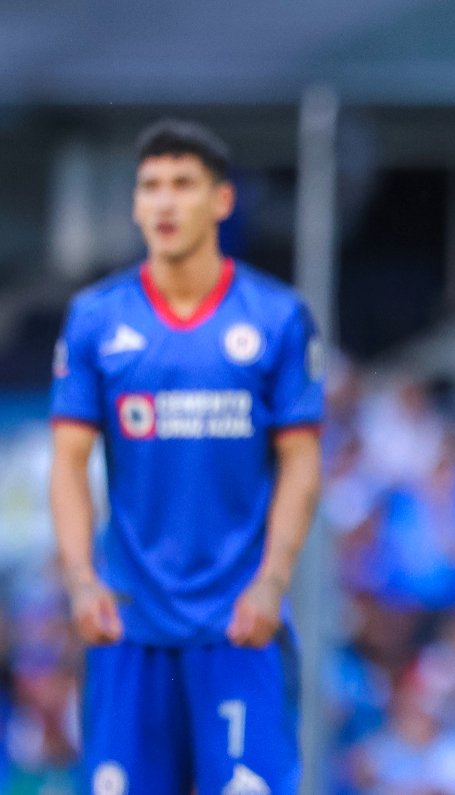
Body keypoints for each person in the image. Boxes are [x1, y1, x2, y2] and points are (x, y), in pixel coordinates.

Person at [49, 119, 323, 794]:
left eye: (183, 184)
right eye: (151, 187)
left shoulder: (276, 317)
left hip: (239, 627)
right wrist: (82, 580)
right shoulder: (95, 318)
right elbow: (67, 462)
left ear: (221, 200)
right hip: (128, 627)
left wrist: (272, 579)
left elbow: (302, 461)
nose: (165, 202)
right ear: (136, 204)